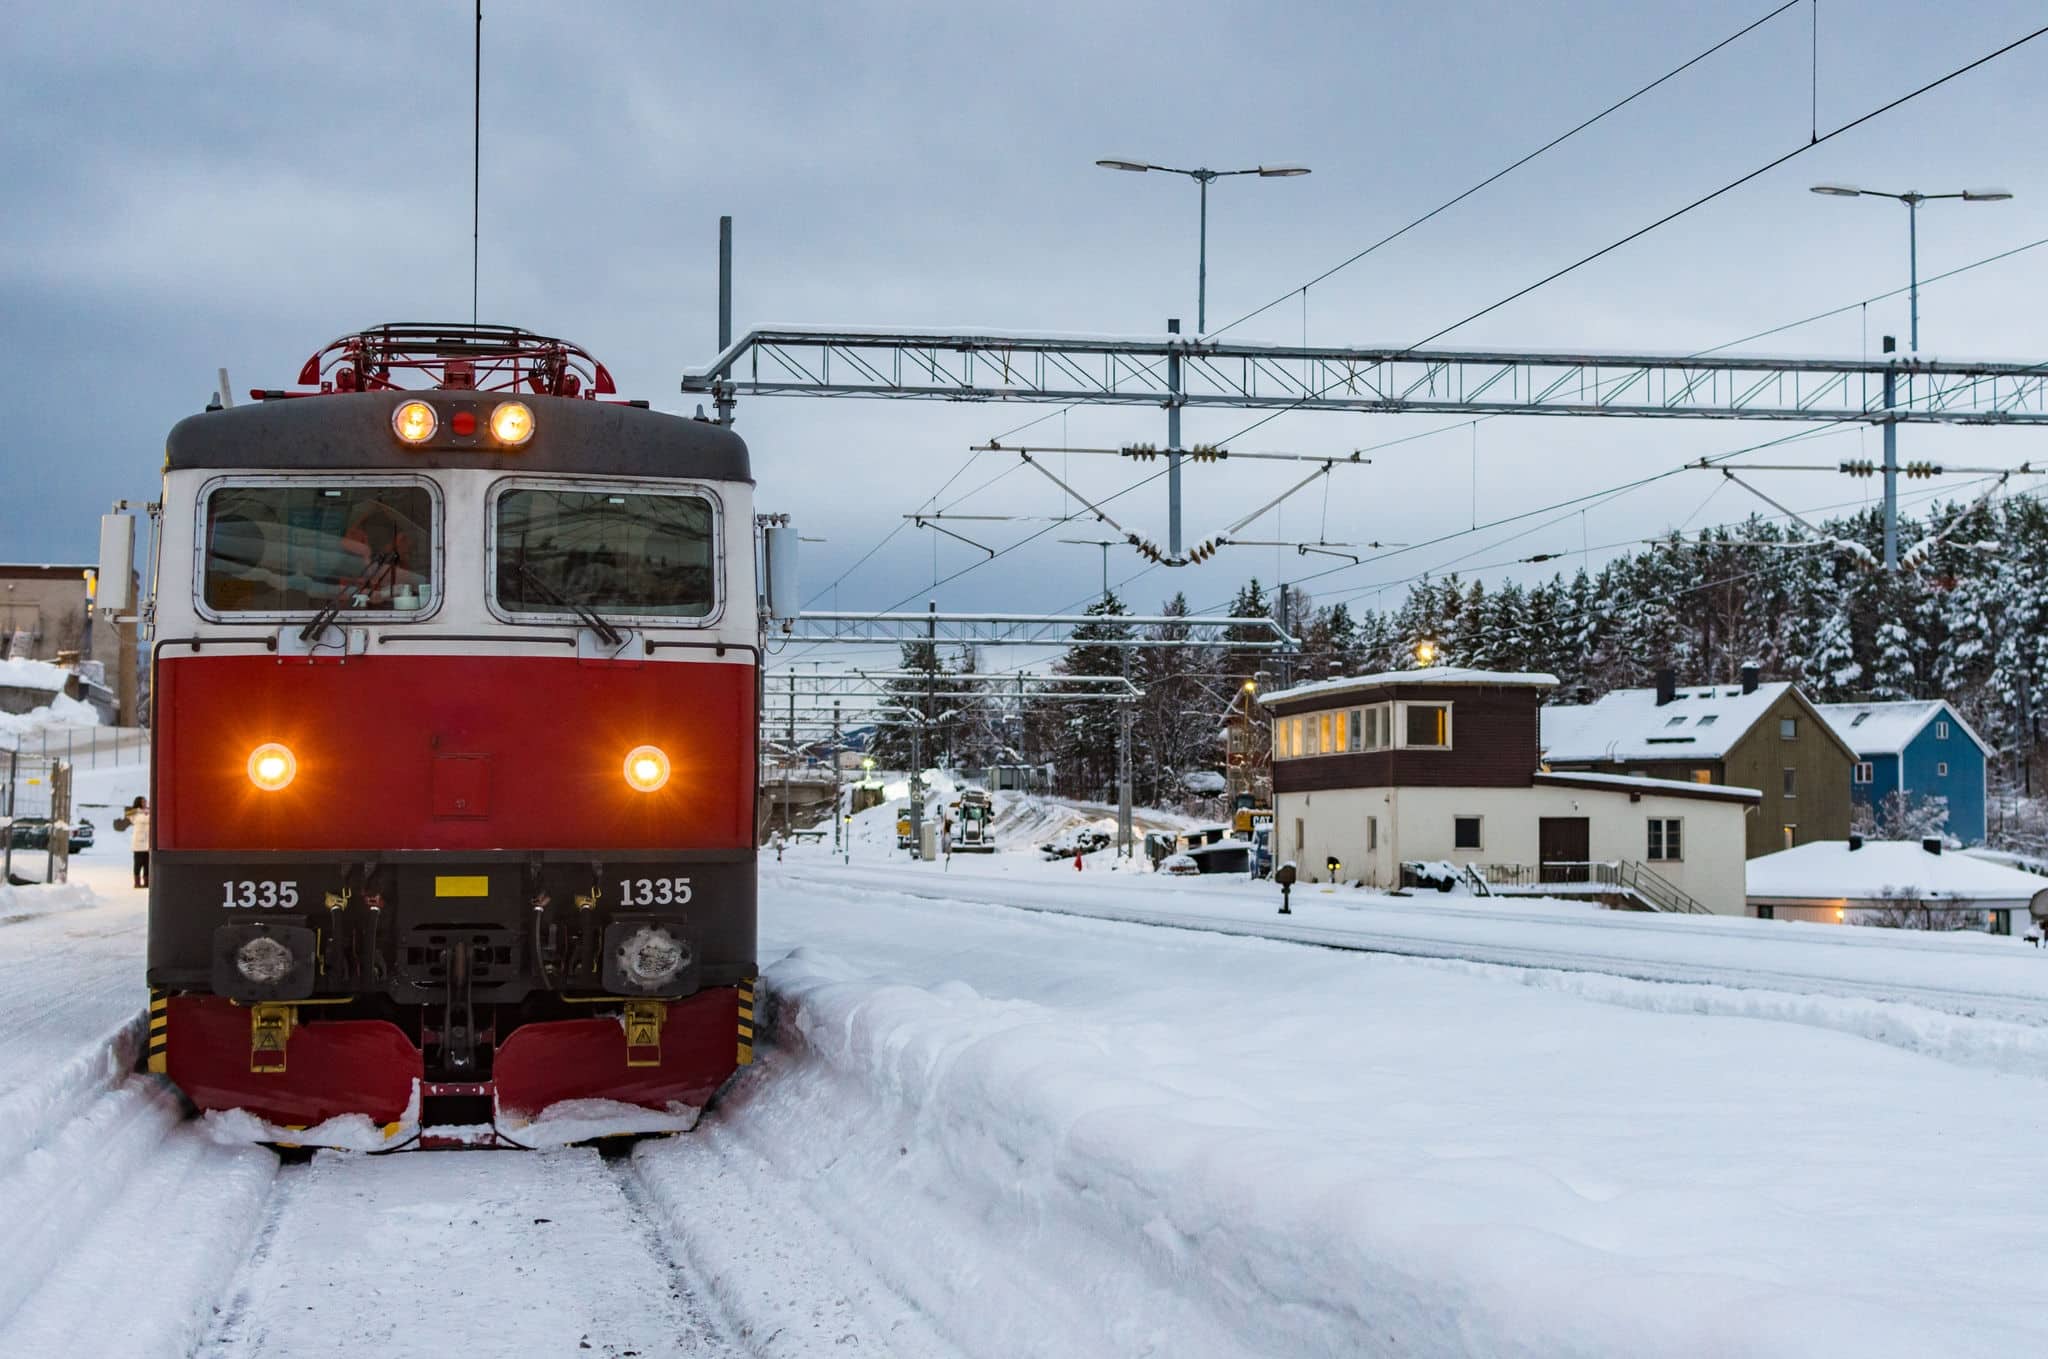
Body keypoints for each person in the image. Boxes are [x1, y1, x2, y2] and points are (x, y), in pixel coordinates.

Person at [125, 797, 151, 889]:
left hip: (148, 842)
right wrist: (140, 811)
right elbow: (128, 814)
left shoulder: (148, 811)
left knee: (147, 864)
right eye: (143, 801)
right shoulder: (136, 813)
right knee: (138, 864)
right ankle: (137, 882)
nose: (145, 803)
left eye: (145, 801)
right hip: (138, 843)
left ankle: (147, 882)